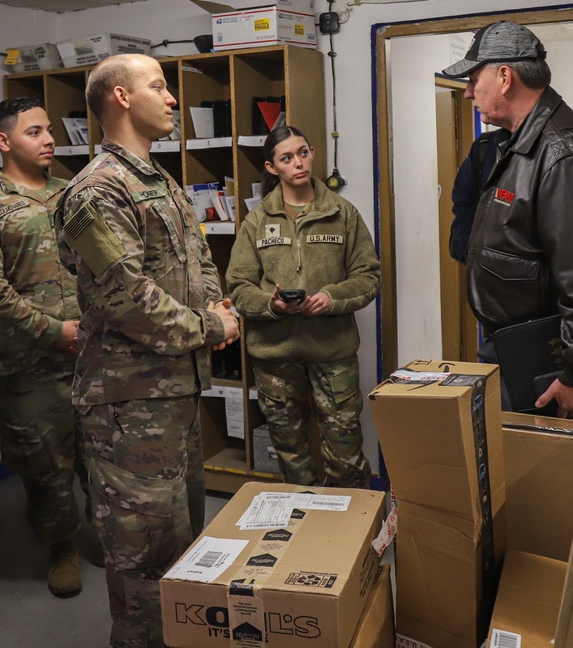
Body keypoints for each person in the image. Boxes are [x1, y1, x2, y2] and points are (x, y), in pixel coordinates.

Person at [54, 54, 240, 648]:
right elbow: (127, 300)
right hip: (127, 405)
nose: (173, 98)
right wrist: (209, 327)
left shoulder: (161, 182)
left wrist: (219, 308)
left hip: (174, 394)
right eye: (159, 86)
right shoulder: (97, 191)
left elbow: (200, 261)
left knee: (180, 544)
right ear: (120, 97)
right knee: (142, 561)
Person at [441, 21, 573, 420]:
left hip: (551, 357)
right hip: (515, 345)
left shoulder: (565, 154)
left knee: (546, 475)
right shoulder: (515, 143)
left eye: (475, 79)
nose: (470, 92)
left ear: (505, 77)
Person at [0, 97, 87, 598]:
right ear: (5, 141)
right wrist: (56, 332)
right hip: (28, 364)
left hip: (92, 355)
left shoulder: (73, 193)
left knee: (100, 453)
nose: (49, 138)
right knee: (45, 464)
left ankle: (113, 537)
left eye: (49, 129)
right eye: (35, 131)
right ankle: (61, 544)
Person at [225, 126, 380, 488]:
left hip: (332, 352)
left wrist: (330, 297)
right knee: (290, 453)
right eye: (287, 158)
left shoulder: (343, 214)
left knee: (345, 452)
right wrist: (273, 304)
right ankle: (306, 533)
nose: (299, 163)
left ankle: (349, 534)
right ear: (272, 167)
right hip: (274, 358)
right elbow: (239, 287)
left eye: (303, 153)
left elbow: (368, 276)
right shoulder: (257, 220)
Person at [449, 127, 507, 263]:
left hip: (523, 273)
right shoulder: (484, 146)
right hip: (480, 266)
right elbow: (462, 202)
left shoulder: (546, 147)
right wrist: (469, 252)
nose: (475, 104)